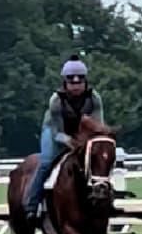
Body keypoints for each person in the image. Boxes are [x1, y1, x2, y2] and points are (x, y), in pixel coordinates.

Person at [23, 55, 104, 222]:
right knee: (46, 162)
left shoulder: (94, 98)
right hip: (55, 131)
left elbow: (98, 127)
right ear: (65, 82)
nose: (76, 85)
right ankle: (32, 205)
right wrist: (69, 142)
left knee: (100, 161)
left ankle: (106, 200)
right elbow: (57, 132)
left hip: (81, 132)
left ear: (85, 81)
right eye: (71, 81)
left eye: (79, 81)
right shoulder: (56, 100)